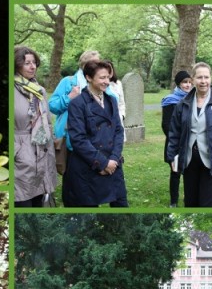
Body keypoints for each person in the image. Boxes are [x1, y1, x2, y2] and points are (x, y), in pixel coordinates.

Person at [164, 62, 212, 208]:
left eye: (206, 77)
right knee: (191, 202)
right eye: (199, 77)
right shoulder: (183, 104)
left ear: (211, 78)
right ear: (193, 79)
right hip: (189, 161)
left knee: (208, 204)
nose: (203, 81)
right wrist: (172, 156)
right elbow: (174, 133)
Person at [64, 59, 128, 207]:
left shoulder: (111, 100)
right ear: (89, 78)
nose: (107, 81)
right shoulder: (77, 103)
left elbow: (118, 130)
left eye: (108, 77)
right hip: (88, 166)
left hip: (113, 163)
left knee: (121, 206)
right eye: (102, 77)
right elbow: (78, 139)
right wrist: (102, 163)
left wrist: (113, 159)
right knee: (89, 213)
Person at [13, 46, 57, 208]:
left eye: (34, 63)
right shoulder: (11, 90)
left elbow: (48, 122)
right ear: (17, 65)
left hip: (42, 155)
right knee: (22, 203)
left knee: (39, 205)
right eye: (27, 63)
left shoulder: (39, 91)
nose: (32, 67)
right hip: (21, 157)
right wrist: (17, 151)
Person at [161, 70, 192, 206]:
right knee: (175, 172)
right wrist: (177, 140)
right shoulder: (170, 100)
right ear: (179, 84)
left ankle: (188, 199)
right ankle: (173, 202)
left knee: (189, 173)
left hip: (190, 143)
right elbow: (166, 124)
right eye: (185, 82)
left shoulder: (194, 99)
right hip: (175, 143)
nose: (188, 85)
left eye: (190, 82)